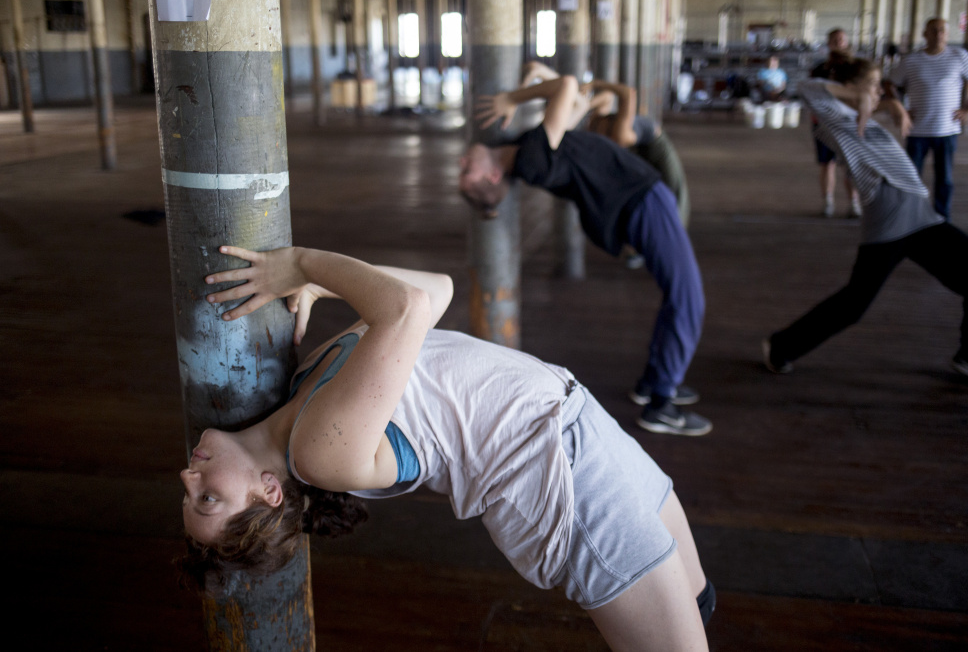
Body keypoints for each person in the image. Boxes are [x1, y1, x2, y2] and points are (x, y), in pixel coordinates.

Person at [180, 244, 715, 650]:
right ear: (269, 492)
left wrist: (323, 288)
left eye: (191, 497)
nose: (188, 479)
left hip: (573, 422)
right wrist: (302, 263)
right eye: (209, 500)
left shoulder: (306, 390)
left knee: (697, 601)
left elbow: (436, 292)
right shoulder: (321, 453)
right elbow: (406, 307)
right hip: (561, 480)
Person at [461, 74, 711, 435]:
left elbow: (573, 102)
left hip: (643, 202)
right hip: (640, 205)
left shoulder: (527, 148)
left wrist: (536, 75)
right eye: (467, 172)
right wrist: (511, 98)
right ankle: (661, 405)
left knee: (680, 296)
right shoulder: (533, 160)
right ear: (494, 176)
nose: (461, 162)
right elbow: (566, 85)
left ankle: (654, 383)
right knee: (688, 299)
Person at [763, 58, 968, 394]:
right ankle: (781, 346)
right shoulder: (834, 116)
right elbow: (807, 86)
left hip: (922, 219)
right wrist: (856, 95)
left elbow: (872, 102)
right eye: (873, 84)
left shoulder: (860, 113)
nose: (878, 90)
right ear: (853, 85)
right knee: (853, 305)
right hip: (890, 223)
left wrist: (885, 102)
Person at [520, 62, 691, 228]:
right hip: (640, 147)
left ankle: (671, 229)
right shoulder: (602, 124)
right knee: (576, 103)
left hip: (659, 146)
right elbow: (615, 95)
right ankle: (542, 72)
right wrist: (588, 100)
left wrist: (596, 84)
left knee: (677, 200)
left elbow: (626, 93)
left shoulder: (620, 135)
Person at [888, 18, 968, 220]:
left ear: (948, 34)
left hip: (947, 130)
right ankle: (910, 215)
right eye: (933, 30)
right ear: (925, 34)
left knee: (945, 178)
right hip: (917, 131)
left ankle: (942, 218)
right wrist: (901, 109)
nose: (938, 34)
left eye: (942, 30)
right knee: (911, 176)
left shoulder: (958, 56)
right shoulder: (911, 60)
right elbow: (889, 84)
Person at [810, 28, 862, 218]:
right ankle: (828, 201)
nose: (838, 43)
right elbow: (812, 94)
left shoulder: (856, 68)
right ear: (829, 43)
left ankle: (854, 203)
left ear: (846, 43)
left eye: (841, 39)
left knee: (850, 165)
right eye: (835, 40)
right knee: (827, 163)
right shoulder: (820, 69)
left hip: (848, 122)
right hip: (824, 121)